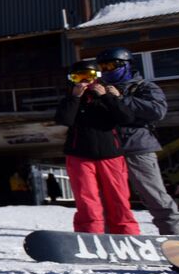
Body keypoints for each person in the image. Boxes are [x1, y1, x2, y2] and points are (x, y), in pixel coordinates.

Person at [95, 47, 179, 235]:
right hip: (109, 150)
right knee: (110, 197)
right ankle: (113, 237)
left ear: (125, 65)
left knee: (153, 193)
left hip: (137, 146)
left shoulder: (144, 87)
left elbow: (157, 111)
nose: (107, 70)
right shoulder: (100, 89)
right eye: (103, 67)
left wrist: (121, 98)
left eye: (111, 65)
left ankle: (174, 235)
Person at [56, 60, 137, 235]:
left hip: (111, 155)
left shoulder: (108, 94)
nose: (85, 81)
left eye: (89, 76)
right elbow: (64, 119)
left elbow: (126, 118)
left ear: (97, 77)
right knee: (87, 200)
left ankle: (127, 235)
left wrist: (107, 97)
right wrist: (75, 97)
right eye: (79, 77)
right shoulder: (71, 98)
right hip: (80, 155)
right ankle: (90, 235)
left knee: (118, 198)